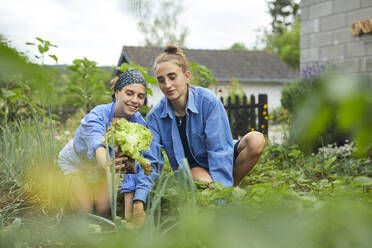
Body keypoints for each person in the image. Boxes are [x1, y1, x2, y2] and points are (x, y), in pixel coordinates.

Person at [141, 45, 265, 194]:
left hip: (222, 156)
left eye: (172, 77)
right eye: (161, 80)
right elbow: (151, 160)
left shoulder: (208, 101)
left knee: (256, 140)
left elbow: (219, 150)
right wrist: (139, 199)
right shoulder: (155, 117)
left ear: (186, 76)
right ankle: (221, 191)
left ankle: (228, 189)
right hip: (194, 168)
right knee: (201, 177)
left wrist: (222, 191)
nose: (167, 85)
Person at [57, 69, 149, 225]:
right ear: (117, 93)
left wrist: (129, 219)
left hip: (104, 167)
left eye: (140, 96)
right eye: (129, 93)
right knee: (84, 211)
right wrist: (108, 164)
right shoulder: (98, 114)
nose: (135, 100)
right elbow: (96, 144)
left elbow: (129, 174)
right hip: (76, 163)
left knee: (104, 210)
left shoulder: (137, 123)